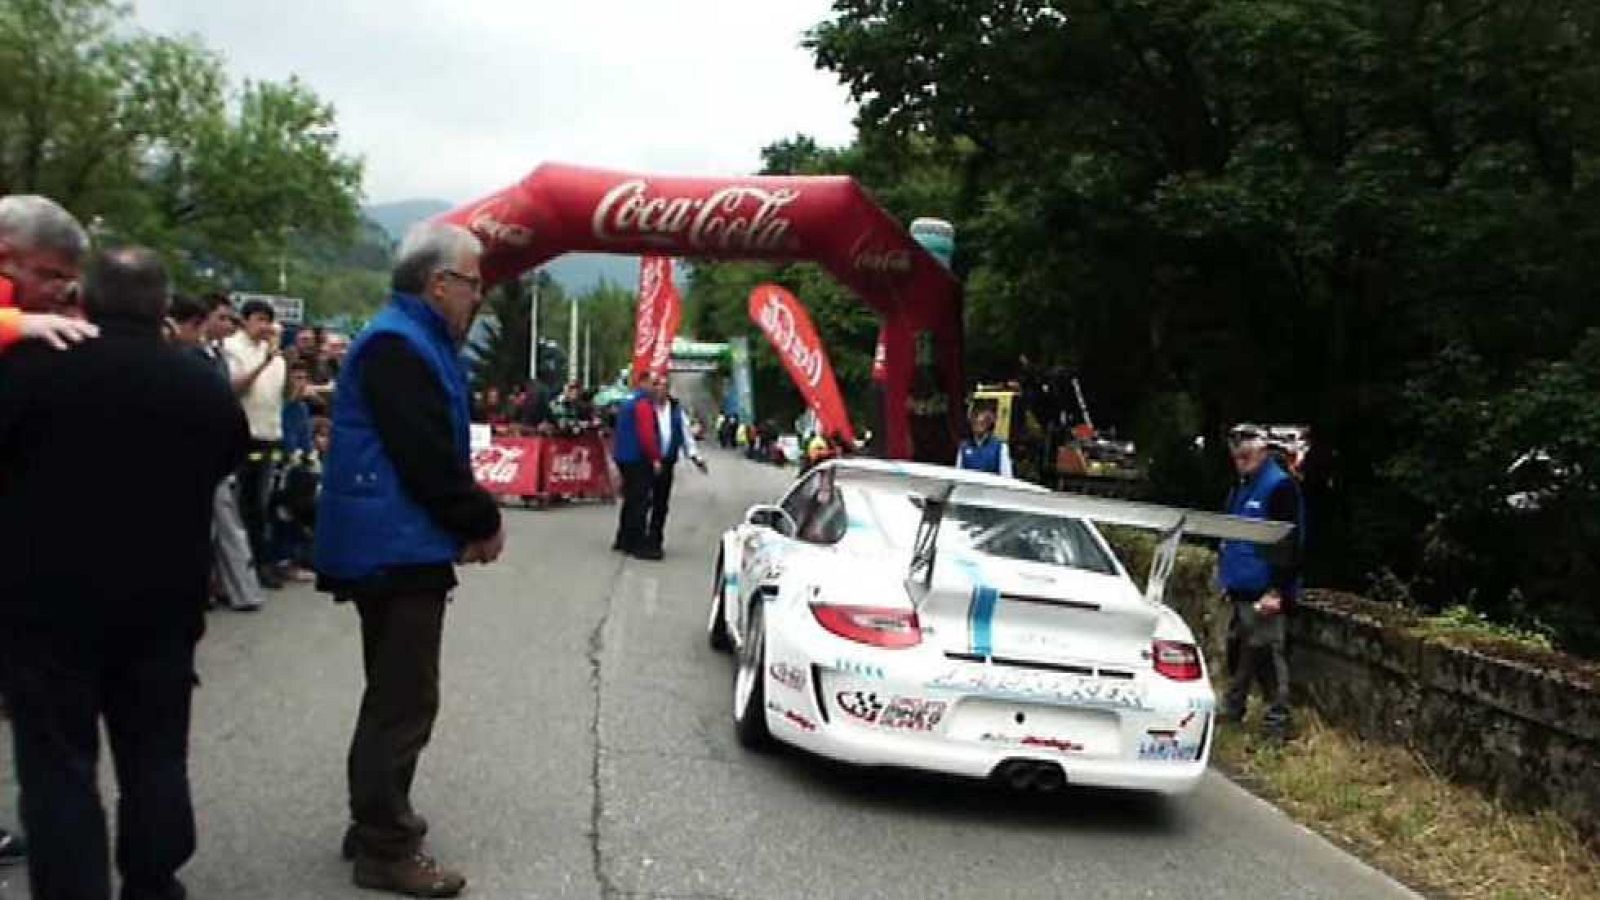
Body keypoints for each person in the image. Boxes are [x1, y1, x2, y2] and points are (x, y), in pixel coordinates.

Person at [0, 246, 249, 900]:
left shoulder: (31, 367)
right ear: (164, 306)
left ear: (84, 296)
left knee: (57, 764)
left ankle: (72, 886)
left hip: (45, 599)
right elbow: (228, 456)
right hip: (163, 599)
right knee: (156, 751)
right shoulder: (198, 382)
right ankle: (153, 876)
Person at [315, 222, 503, 898]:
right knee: (404, 698)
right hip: (393, 543)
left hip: (393, 541)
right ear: (438, 282)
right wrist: (480, 520)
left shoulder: (410, 338)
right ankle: (385, 846)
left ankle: (373, 821)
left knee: (391, 691)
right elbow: (425, 456)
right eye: (473, 283)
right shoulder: (400, 343)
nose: (478, 297)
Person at [1216, 423, 1305, 738]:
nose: (1240, 456)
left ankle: (1277, 724)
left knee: (1268, 655)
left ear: (1265, 450)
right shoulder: (1241, 486)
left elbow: (1288, 543)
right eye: (1236, 452)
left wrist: (1277, 590)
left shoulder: (1280, 487)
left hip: (1266, 591)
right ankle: (1233, 709)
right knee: (1240, 652)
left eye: (1248, 451)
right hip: (1240, 587)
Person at [224, 299, 289, 589]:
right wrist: (264, 363)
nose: (265, 327)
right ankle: (242, 568)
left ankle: (264, 562)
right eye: (260, 320)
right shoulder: (232, 349)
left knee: (264, 503)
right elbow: (236, 388)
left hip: (270, 434)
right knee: (243, 505)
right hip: (244, 436)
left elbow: (284, 396)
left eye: (268, 321)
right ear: (246, 320)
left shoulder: (275, 355)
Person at [611, 372, 706, 560]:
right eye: (655, 384)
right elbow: (645, 435)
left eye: (662, 385)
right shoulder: (644, 406)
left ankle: (653, 539)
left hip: (666, 459)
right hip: (647, 460)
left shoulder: (675, 409)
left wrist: (695, 456)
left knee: (658, 502)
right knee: (639, 499)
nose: (659, 389)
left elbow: (685, 433)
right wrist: (653, 458)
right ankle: (633, 539)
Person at [956, 408, 1014, 477]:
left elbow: (1007, 477)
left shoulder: (1000, 446)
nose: (978, 426)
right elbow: (958, 475)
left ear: (989, 424)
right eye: (975, 422)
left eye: (982, 423)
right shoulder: (964, 447)